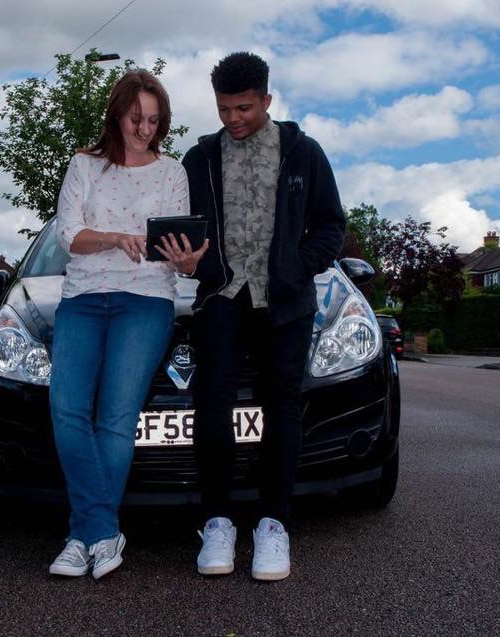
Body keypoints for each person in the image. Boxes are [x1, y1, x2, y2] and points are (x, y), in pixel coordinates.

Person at [178, 52, 346, 581]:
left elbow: (330, 225)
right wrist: (186, 259)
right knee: (212, 403)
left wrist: (298, 267)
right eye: (224, 108)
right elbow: (183, 228)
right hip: (221, 297)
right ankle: (218, 522)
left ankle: (273, 523)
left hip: (284, 301)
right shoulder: (199, 158)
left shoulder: (304, 153)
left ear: (267, 101)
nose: (233, 119)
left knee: (282, 406)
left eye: (244, 108)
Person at [48, 70, 207, 580]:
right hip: (84, 296)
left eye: (154, 120)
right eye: (137, 118)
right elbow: (68, 234)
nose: (144, 129)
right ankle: (99, 532)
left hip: (145, 299)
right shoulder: (84, 164)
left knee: (115, 417)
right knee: (67, 408)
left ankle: (81, 535)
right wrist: (116, 238)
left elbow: (179, 257)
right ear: (117, 113)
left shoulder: (172, 172)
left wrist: (189, 259)